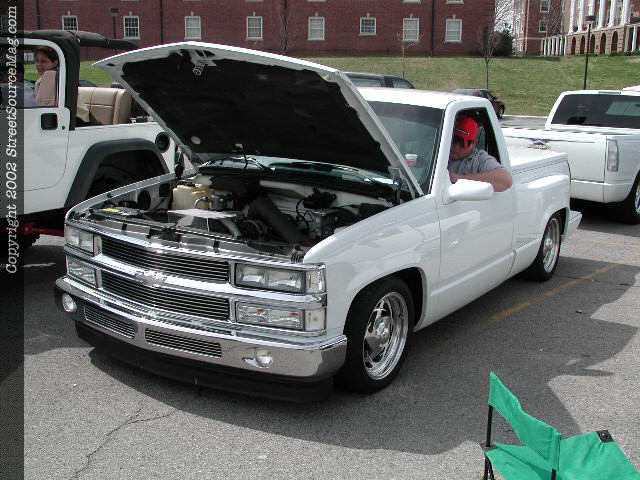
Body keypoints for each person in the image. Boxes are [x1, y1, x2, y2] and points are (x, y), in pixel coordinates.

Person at [448, 116, 513, 193]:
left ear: (474, 143)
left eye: (462, 144)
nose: (456, 147)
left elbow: (505, 180)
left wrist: (460, 179)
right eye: (454, 141)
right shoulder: (439, 151)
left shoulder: (479, 159)